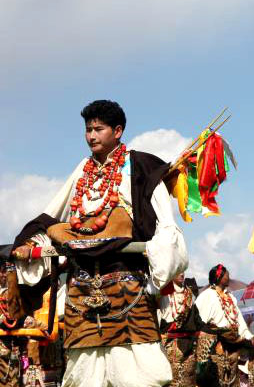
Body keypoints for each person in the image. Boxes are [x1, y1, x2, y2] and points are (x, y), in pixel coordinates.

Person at [10, 99, 188, 386]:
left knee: (140, 374)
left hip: (127, 284)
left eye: (98, 129)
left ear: (117, 131)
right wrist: (28, 243)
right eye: (88, 129)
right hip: (82, 286)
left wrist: (158, 269)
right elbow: (53, 213)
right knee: (82, 374)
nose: (91, 135)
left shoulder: (141, 165)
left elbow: (166, 227)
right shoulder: (83, 169)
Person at [195, 264, 254, 387]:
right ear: (218, 277)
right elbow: (199, 322)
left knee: (233, 379)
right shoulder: (206, 296)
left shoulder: (230, 297)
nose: (228, 277)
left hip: (233, 344)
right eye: (226, 275)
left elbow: (240, 322)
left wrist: (249, 336)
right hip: (214, 345)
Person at [159, 273, 202, 387]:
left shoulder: (189, 293)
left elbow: (196, 319)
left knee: (189, 381)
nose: (182, 273)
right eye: (178, 270)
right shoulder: (163, 290)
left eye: (183, 270)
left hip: (188, 344)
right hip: (168, 344)